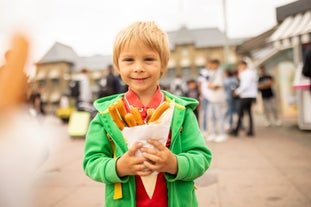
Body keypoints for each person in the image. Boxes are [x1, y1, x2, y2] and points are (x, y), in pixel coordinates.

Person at [83, 21, 212, 207]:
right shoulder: (106, 116)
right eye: (129, 60)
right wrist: (118, 167)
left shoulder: (180, 112)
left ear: (163, 65)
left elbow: (201, 157)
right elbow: (91, 162)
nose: (138, 68)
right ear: (117, 66)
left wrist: (175, 163)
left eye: (148, 59)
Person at [230, 60, 258, 137]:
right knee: (248, 113)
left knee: (240, 113)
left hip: (246, 95)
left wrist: (237, 92)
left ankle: (236, 131)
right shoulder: (250, 73)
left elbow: (245, 85)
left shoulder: (246, 73)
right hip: (250, 95)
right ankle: (250, 131)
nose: (239, 67)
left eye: (240, 66)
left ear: (244, 65)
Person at [204, 59, 227, 143]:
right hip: (211, 98)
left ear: (216, 64)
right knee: (210, 117)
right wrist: (210, 85)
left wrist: (210, 85)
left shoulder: (219, 72)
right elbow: (208, 84)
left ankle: (222, 134)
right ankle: (212, 134)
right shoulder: (211, 72)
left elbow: (215, 86)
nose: (209, 66)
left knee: (218, 116)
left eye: (211, 64)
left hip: (218, 98)